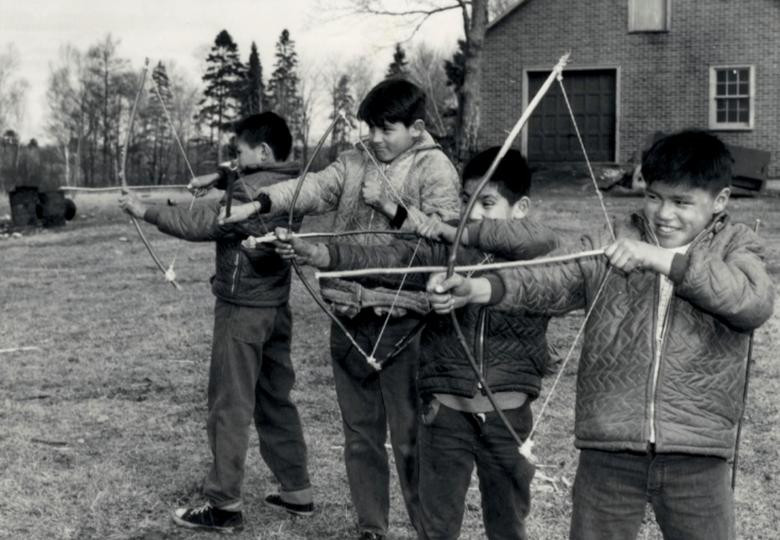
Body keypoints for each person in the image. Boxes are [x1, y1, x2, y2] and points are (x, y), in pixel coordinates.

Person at [427, 130, 775, 540]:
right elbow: (550, 280)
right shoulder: (614, 240)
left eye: (682, 202)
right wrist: (478, 288)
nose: (664, 214)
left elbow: (752, 302)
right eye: (655, 196)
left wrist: (666, 261)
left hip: (698, 453)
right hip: (608, 448)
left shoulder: (737, 246)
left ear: (720, 201)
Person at [274, 147, 558, 539]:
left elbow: (538, 253)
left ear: (521, 207)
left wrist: (472, 284)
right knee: (436, 526)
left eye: (487, 203)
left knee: (507, 524)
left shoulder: (539, 257)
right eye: (466, 200)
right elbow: (389, 256)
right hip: (444, 416)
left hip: (507, 419)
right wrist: (322, 253)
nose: (472, 213)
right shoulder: (445, 250)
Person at [222, 78, 460, 540]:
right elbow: (311, 188)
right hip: (349, 314)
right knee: (360, 434)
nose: (374, 138)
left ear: (415, 127)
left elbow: (443, 245)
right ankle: (371, 527)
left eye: (386, 129)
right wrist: (260, 203)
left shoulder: (436, 170)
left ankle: (427, 529)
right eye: (370, 128)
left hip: (405, 319)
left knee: (411, 438)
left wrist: (394, 210)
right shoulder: (355, 161)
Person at [119, 112, 314, 534]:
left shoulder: (246, 189)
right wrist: (221, 177)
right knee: (274, 398)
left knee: (229, 405)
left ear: (261, 151)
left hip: (242, 309)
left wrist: (143, 210)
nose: (234, 158)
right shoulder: (290, 184)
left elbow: (201, 222)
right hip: (276, 309)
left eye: (238, 151)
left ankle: (223, 504)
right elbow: (249, 183)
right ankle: (297, 491)